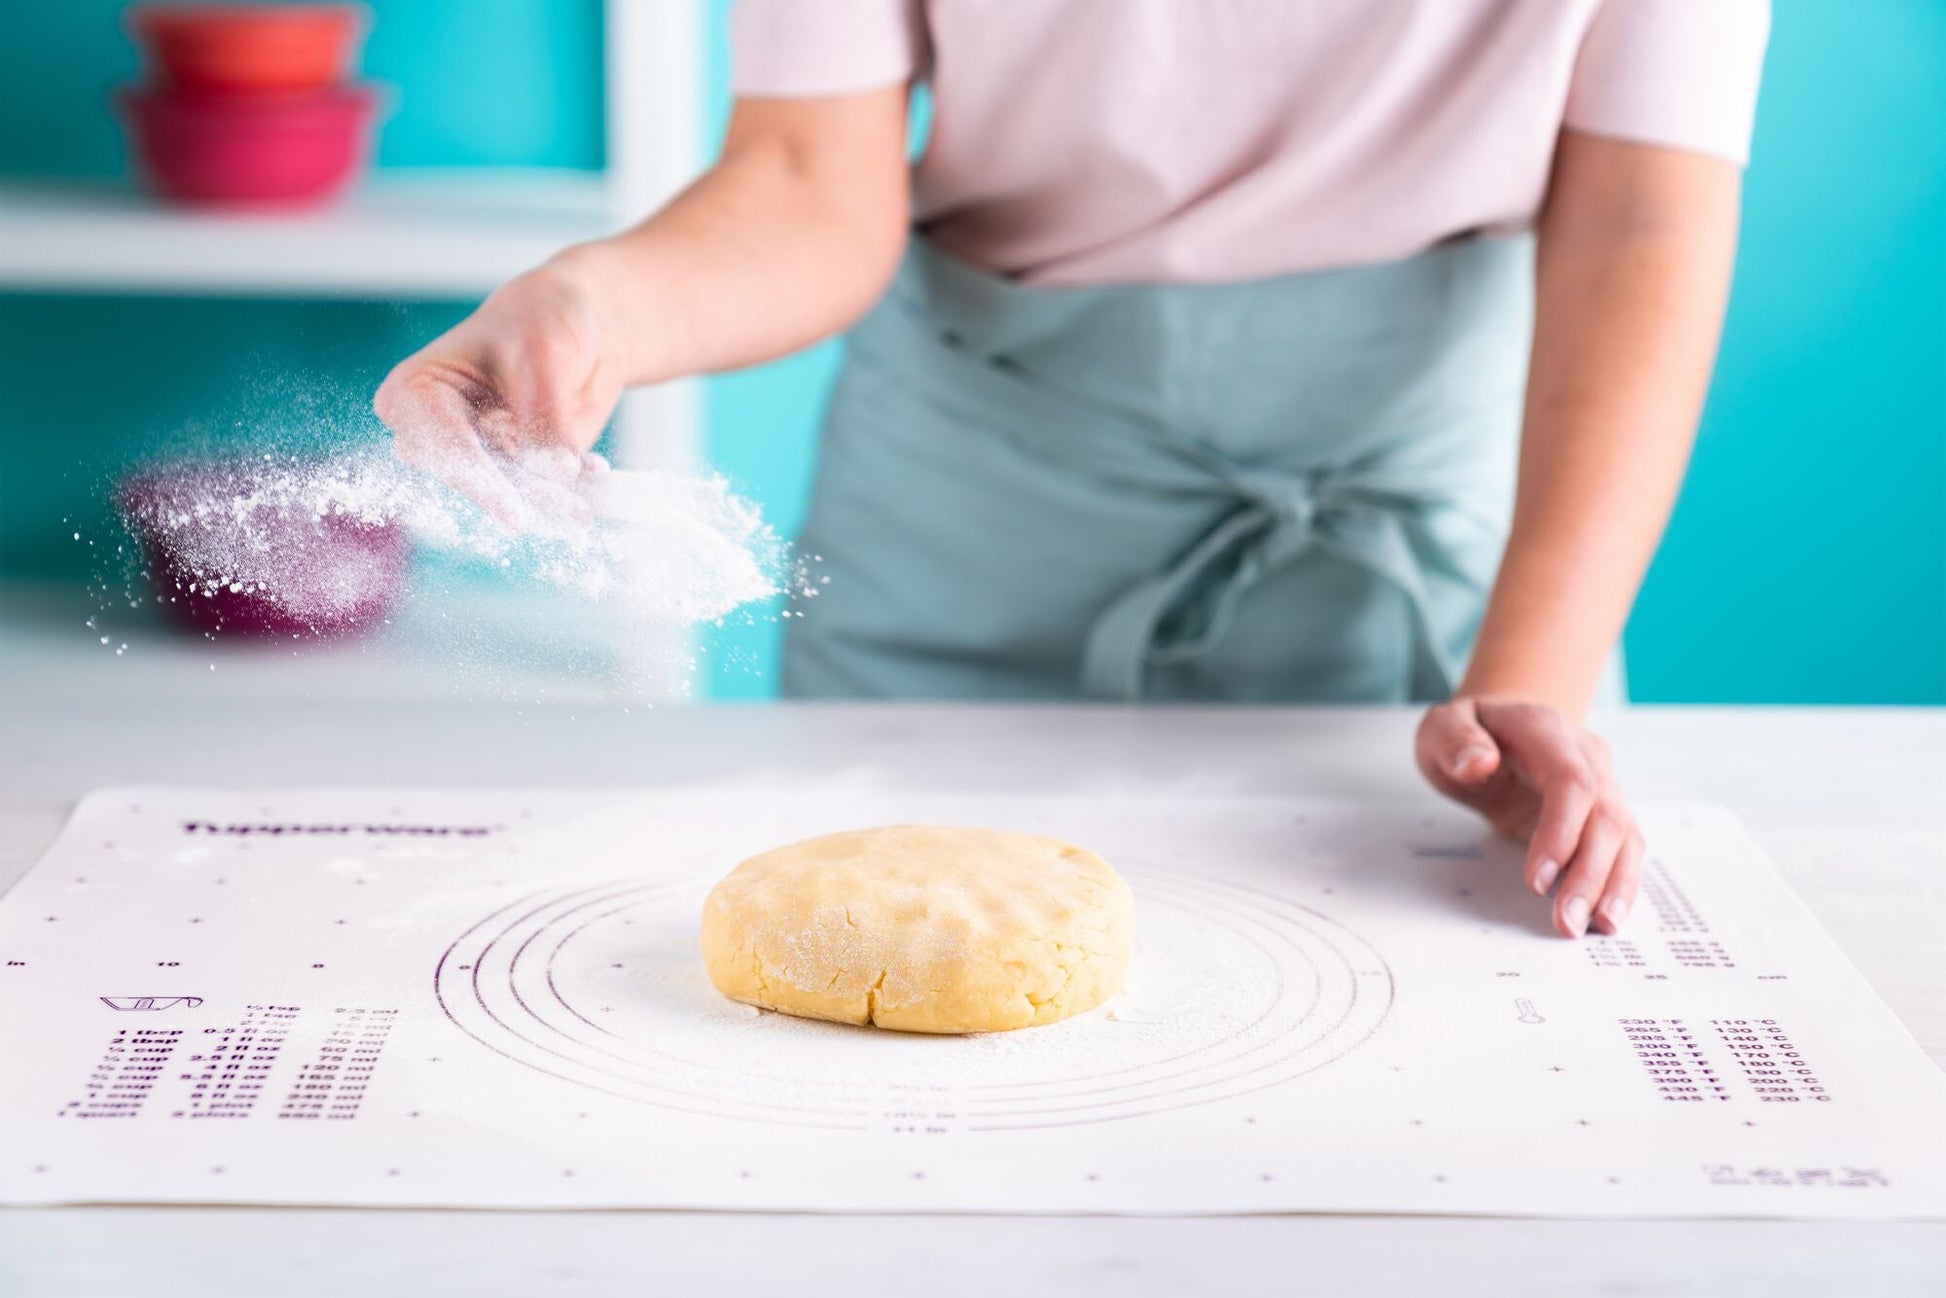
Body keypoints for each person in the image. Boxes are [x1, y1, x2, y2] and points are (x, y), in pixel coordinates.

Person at [375, 1, 1770, 939]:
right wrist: (591, 310)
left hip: (1432, 575)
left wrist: (1523, 679)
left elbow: (1643, 216)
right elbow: (806, 175)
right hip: (963, 529)